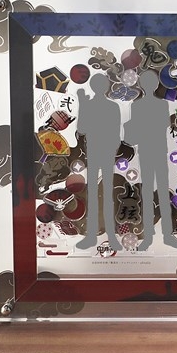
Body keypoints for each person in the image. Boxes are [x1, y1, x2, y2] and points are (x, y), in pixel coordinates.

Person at [124, 72, 177, 250]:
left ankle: (155, 236)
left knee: (151, 193)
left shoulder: (139, 105)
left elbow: (135, 132)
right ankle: (160, 236)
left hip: (150, 150)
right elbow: (162, 125)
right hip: (154, 150)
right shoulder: (160, 104)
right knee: (156, 193)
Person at [75, 74, 123, 251]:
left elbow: (82, 129)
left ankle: (98, 236)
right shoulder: (113, 106)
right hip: (104, 152)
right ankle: (107, 236)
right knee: (105, 195)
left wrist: (82, 104)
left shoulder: (91, 105)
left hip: (96, 152)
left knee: (96, 195)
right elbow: (116, 135)